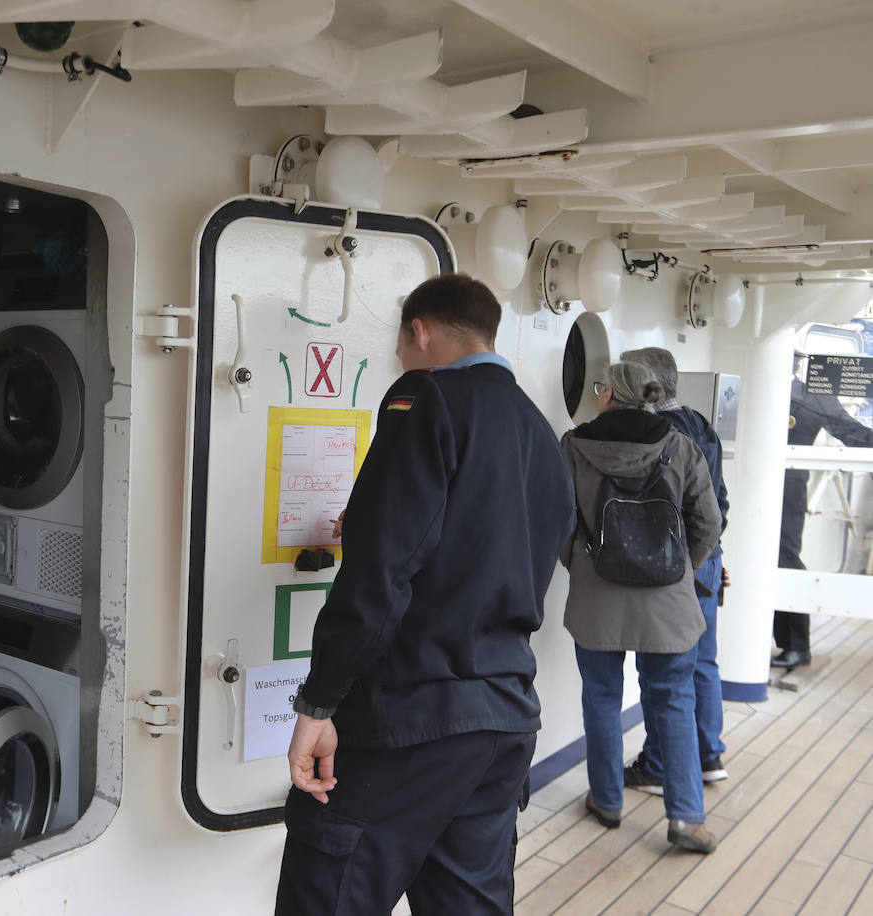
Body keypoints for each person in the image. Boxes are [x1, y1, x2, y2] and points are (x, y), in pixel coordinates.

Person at [276, 273, 576, 916]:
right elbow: (495, 556)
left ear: (421, 331)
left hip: (407, 721)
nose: (402, 362)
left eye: (402, 348)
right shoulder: (543, 438)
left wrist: (320, 701)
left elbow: (381, 573)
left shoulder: (426, 398)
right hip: (501, 721)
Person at [560, 362, 722, 854]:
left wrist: (583, 566)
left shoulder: (573, 446)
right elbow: (709, 522)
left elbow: (557, 520)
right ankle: (687, 819)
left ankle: (607, 801)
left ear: (608, 394)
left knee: (602, 698)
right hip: (668, 603)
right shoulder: (679, 445)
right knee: (674, 699)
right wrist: (678, 570)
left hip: (596, 598)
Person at [618, 347, 730, 790]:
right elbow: (718, 503)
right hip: (709, 558)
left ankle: (659, 766)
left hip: (672, 567)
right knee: (702, 663)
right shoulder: (702, 425)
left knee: (663, 673)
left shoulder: (657, 433)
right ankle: (708, 755)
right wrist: (713, 557)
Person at [774, 358, 873, 667]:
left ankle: (797, 645)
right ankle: (785, 642)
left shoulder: (806, 394)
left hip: (788, 489)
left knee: (784, 557)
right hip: (767, 484)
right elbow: (850, 431)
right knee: (773, 558)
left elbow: (852, 433)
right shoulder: (806, 394)